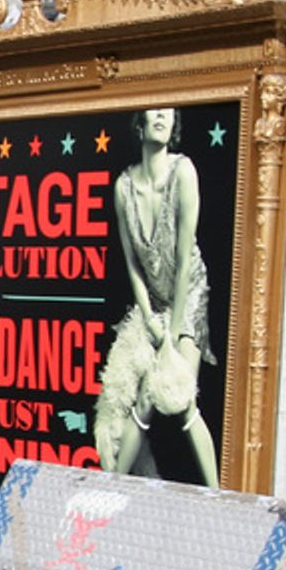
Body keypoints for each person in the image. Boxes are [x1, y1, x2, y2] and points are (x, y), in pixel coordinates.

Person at [94, 106, 219, 487]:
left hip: (189, 293)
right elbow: (133, 265)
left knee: (180, 398)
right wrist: (149, 317)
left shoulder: (184, 172)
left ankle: (218, 496)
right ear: (140, 122)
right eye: (155, 111)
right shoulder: (123, 188)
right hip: (152, 302)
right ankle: (115, 485)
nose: (163, 117)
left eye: (169, 113)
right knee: (144, 400)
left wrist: (172, 337)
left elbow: (183, 263)